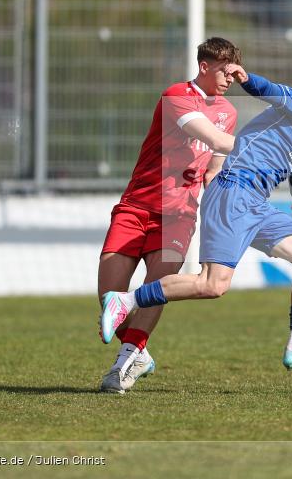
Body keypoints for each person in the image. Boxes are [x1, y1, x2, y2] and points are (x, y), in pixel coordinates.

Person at [99, 62, 292, 372]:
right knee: (212, 285)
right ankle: (125, 301)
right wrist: (247, 79)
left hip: (256, 202)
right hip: (234, 191)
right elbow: (273, 92)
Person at [97, 37, 240, 393]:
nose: (230, 78)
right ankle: (137, 352)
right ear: (204, 66)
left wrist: (225, 204)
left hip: (179, 216)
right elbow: (212, 138)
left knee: (153, 290)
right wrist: (271, 148)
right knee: (108, 298)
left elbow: (214, 166)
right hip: (136, 207)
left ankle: (127, 359)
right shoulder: (177, 94)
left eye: (235, 72)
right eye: (225, 70)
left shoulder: (229, 112)